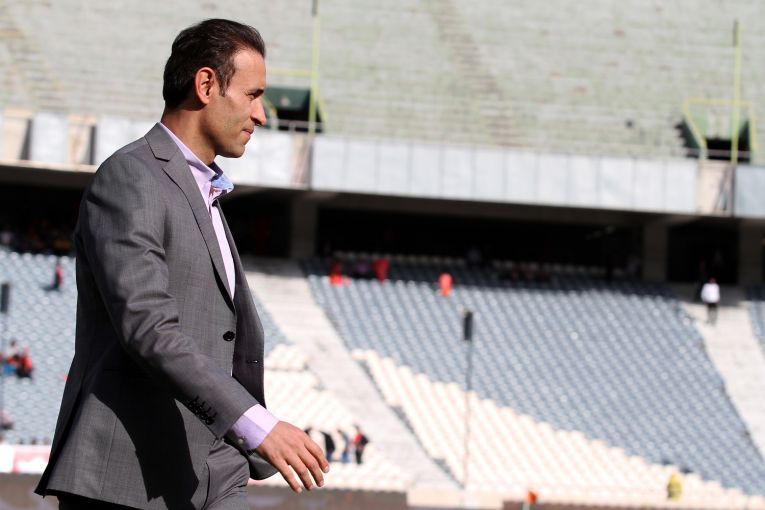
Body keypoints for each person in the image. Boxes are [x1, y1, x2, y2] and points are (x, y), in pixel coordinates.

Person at [35, 19, 328, 510]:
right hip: (127, 476)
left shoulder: (206, 191)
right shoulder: (131, 177)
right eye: (253, 95)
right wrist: (257, 425)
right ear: (206, 84)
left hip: (214, 471)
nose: (261, 114)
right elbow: (148, 328)